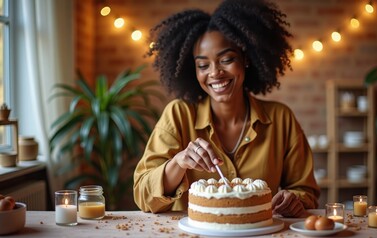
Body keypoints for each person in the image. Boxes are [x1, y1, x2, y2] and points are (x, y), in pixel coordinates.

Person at [133, 0, 320, 217]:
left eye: (227, 59)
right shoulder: (178, 115)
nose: (215, 73)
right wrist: (179, 162)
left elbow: (306, 191)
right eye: (203, 65)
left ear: (246, 59)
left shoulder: (281, 119)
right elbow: (142, 195)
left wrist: (294, 199)